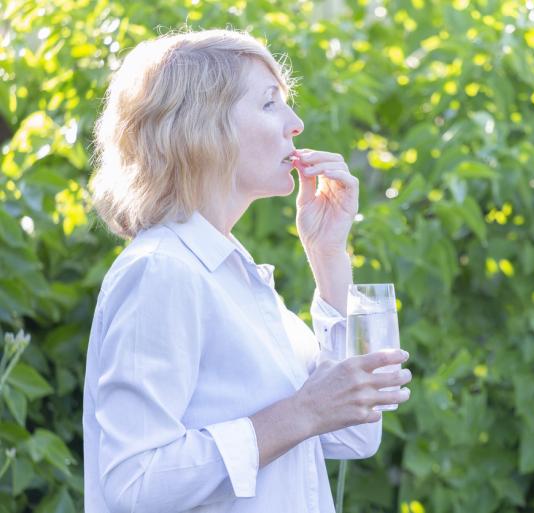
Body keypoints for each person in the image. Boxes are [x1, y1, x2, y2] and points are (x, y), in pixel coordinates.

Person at [82, 28, 412, 513]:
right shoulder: (161, 271)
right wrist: (301, 412)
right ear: (202, 127)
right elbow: (135, 482)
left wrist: (328, 254)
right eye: (269, 104)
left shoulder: (233, 275)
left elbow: (354, 434)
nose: (295, 124)